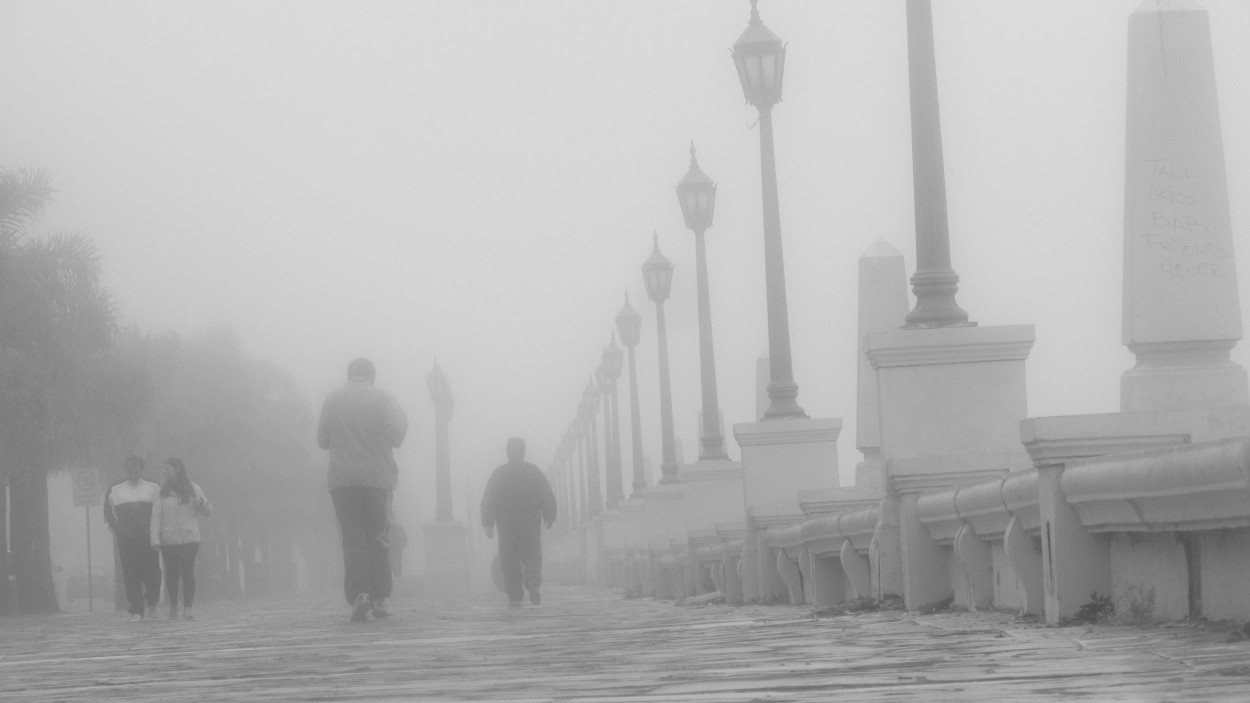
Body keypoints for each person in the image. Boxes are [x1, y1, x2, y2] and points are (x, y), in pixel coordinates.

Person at [317, 357, 409, 622]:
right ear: (372, 376)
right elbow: (399, 430)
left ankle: (359, 595)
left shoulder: (332, 400)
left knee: (353, 538)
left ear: (349, 375)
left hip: (343, 482)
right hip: (377, 480)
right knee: (378, 537)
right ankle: (380, 598)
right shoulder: (383, 398)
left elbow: (322, 440)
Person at [480, 438, 557, 607]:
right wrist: (550, 516)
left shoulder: (499, 474)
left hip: (507, 526)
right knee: (533, 554)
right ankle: (533, 581)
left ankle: (515, 596)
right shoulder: (534, 472)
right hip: (530, 523)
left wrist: (488, 522)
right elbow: (546, 494)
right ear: (524, 452)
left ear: (507, 452)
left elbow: (490, 498)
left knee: (509, 559)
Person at [150, 458, 212, 620]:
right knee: (172, 574)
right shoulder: (160, 492)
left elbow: (208, 511)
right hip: (169, 539)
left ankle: (188, 607)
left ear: (177, 469)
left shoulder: (193, 488)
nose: (164, 472)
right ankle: (174, 606)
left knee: (188, 572)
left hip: (190, 537)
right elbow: (156, 515)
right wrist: (154, 538)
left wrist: (201, 504)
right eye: (164, 469)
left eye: (168, 468)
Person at [103, 456, 162, 621]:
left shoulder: (154, 487)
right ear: (125, 471)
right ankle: (137, 609)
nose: (133, 476)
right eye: (130, 472)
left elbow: (161, 509)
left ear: (141, 471)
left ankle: (153, 602)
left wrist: (158, 533)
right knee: (130, 574)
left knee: (153, 573)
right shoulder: (115, 489)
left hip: (149, 539)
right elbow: (108, 513)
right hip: (127, 541)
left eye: (136, 472)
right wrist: (119, 530)